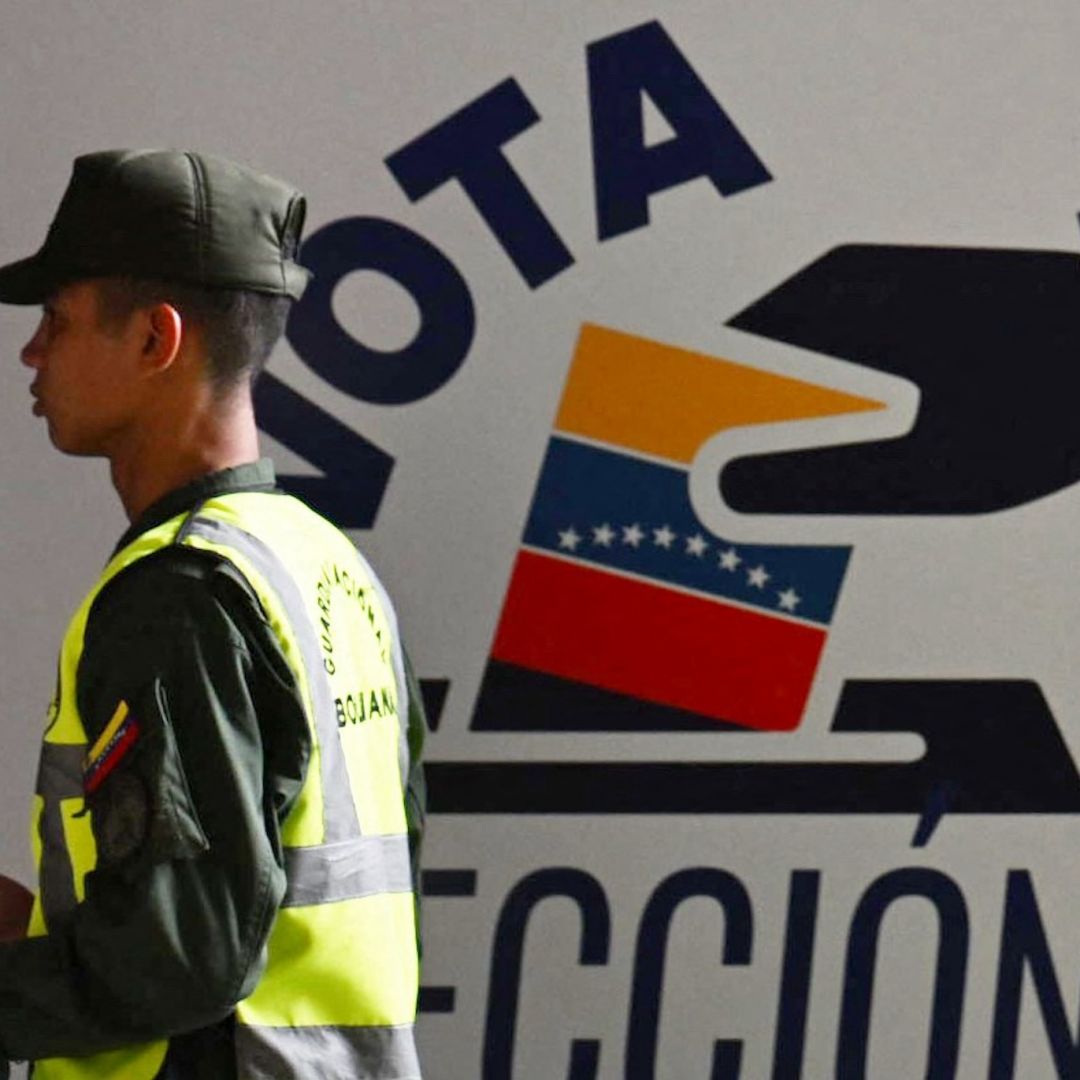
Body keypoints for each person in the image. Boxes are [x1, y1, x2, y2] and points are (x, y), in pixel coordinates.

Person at [0, 149, 426, 1079]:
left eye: (57, 319)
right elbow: (268, 903)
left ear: (156, 339)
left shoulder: (178, 591)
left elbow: (183, 959)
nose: (31, 352)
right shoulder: (325, 564)